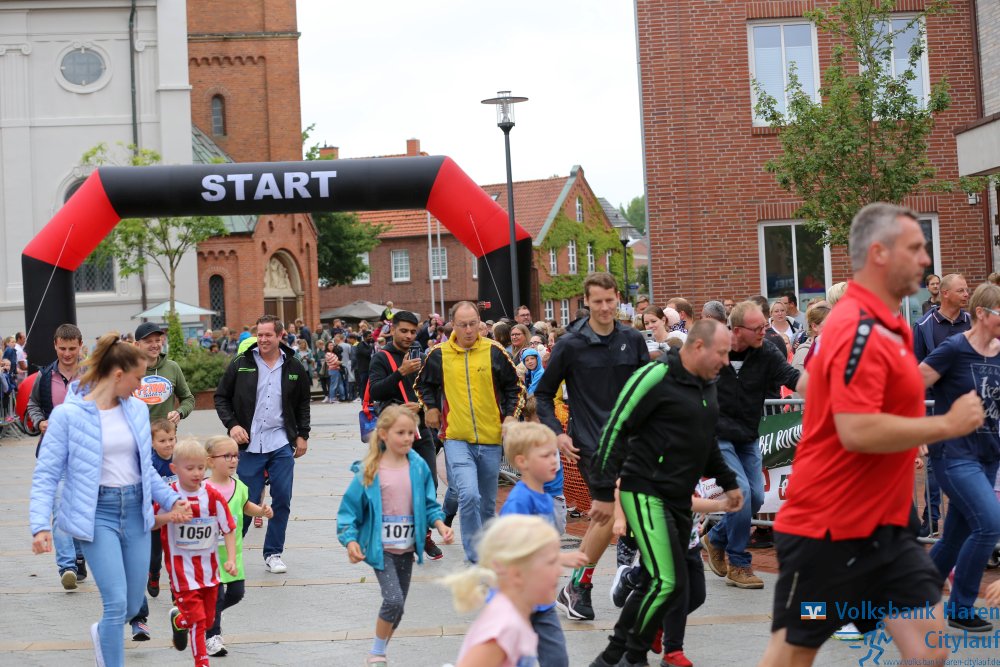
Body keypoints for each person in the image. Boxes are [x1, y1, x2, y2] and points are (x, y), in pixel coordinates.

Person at [759, 203, 985, 666]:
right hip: (828, 531)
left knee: (930, 649)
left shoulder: (892, 325)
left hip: (887, 528)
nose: (926, 259)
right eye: (915, 247)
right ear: (880, 253)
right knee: (793, 654)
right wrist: (946, 425)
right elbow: (856, 429)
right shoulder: (856, 327)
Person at [586, 320, 743, 667]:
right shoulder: (655, 375)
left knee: (667, 583)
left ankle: (619, 657)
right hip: (643, 488)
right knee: (666, 580)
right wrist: (602, 491)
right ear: (698, 347)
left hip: (677, 497)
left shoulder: (707, 385)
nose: (725, 361)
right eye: (721, 353)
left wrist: (729, 483)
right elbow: (614, 428)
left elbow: (706, 441)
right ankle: (626, 657)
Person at [30, 332, 190, 667]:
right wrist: (40, 525)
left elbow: (145, 468)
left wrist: (171, 499)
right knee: (116, 604)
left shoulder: (136, 410)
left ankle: (103, 632)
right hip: (97, 514)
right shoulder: (68, 415)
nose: (141, 387)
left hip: (135, 512)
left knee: (131, 605)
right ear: (118, 375)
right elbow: (46, 474)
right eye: (138, 379)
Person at [535, 271, 649, 621]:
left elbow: (648, 388)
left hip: (633, 443)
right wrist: (558, 433)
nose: (604, 307)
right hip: (591, 443)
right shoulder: (570, 344)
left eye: (609, 300)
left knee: (638, 510)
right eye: (597, 301)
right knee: (607, 512)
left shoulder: (633, 339)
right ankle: (584, 584)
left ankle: (594, 582)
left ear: (618, 299)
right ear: (586, 301)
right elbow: (542, 394)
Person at [337, 405, 454, 667]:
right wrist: (350, 540)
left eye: (411, 433)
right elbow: (349, 511)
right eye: (400, 433)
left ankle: (379, 649)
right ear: (383, 434)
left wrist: (440, 524)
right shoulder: (370, 469)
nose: (407, 438)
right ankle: (377, 654)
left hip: (407, 548)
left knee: (397, 608)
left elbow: (428, 503)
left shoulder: (418, 467)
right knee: (393, 600)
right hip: (380, 549)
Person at [702, 301, 803, 590]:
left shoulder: (766, 351)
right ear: (737, 330)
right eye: (758, 328)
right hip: (717, 435)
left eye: (765, 326)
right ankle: (739, 563)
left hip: (747, 435)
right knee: (742, 493)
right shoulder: (713, 348)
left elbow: (792, 377)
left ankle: (716, 538)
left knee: (756, 498)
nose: (764, 331)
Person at [918, 282, 1000, 632]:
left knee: (953, 536)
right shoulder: (954, 348)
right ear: (982, 313)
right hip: (953, 454)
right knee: (990, 524)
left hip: (988, 455)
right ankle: (961, 607)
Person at [416, 301, 525, 563]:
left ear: (480, 323)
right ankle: (474, 557)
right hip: (456, 437)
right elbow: (423, 385)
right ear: (452, 325)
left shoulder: (494, 351)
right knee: (468, 494)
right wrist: (431, 408)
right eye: (462, 325)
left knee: (487, 503)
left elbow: (515, 388)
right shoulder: (439, 354)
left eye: (473, 324)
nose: (468, 330)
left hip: (491, 439)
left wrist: (511, 416)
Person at [214, 315, 311, 574]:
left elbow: (303, 403)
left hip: (280, 442)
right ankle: (232, 552)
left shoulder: (293, 366)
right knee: (245, 499)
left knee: (282, 498)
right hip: (249, 444)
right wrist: (233, 425)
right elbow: (221, 397)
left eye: (268, 335)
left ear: (280, 336)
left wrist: (303, 434)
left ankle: (273, 553)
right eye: (260, 335)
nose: (263, 339)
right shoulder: (242, 363)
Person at [610, 478, 733, 667]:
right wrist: (620, 518)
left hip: (690, 543)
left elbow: (694, 497)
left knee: (697, 596)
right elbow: (622, 484)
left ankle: (652, 624)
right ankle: (671, 651)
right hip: (662, 541)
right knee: (676, 595)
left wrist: (698, 518)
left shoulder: (697, 465)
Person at [499, 422, 588, 667]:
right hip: (517, 602)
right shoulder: (519, 503)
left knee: (557, 659)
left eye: (555, 454)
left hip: (542, 599)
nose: (555, 461)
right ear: (522, 462)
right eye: (546, 455)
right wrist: (561, 558)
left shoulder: (546, 500)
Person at [369, 310, 444, 559]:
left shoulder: (422, 358)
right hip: (394, 434)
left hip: (421, 430)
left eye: (413, 332)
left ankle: (423, 535)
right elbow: (375, 392)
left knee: (429, 483)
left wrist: (421, 406)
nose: (409, 336)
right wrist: (400, 372)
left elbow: (433, 392)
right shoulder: (381, 358)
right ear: (392, 330)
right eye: (403, 331)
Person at [156, 438, 237, 665]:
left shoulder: (212, 497)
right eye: (189, 468)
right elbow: (150, 522)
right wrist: (169, 517)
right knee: (199, 623)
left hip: (210, 573)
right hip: (182, 573)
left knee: (208, 620)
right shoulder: (168, 496)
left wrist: (231, 559)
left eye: (200, 468)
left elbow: (229, 528)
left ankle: (180, 621)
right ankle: (201, 662)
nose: (196, 473)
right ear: (174, 469)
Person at [442, 515, 563, 667]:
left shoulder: (515, 615)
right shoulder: (504, 626)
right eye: (551, 562)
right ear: (517, 574)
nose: (560, 570)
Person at [25, 323, 87, 590]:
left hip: (85, 453)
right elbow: (33, 404)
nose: (67, 353)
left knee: (82, 509)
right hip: (54, 452)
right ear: (55, 346)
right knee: (59, 508)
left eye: (72, 348)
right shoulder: (45, 375)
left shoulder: (92, 375)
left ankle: (80, 556)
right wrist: (40, 421)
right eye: (62, 348)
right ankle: (67, 566)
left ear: (80, 345)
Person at [913, 273, 971, 537]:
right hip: (935, 405)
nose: (966, 294)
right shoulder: (924, 325)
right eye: (961, 290)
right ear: (945, 294)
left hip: (968, 406)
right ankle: (931, 518)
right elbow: (917, 369)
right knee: (935, 465)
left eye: (967, 290)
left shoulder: (970, 322)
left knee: (970, 462)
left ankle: (966, 520)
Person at [204, 435, 273, 656]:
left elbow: (245, 506)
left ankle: (208, 615)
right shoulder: (202, 488)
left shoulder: (240, 486)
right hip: (208, 556)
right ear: (210, 461)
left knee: (236, 593)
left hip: (233, 554)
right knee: (216, 595)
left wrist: (261, 511)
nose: (233, 460)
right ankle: (212, 636)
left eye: (235, 455)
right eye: (227, 456)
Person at [133, 322, 195, 425]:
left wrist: (179, 412)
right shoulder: (128, 370)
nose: (154, 345)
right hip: (137, 433)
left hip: (166, 433)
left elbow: (188, 399)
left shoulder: (172, 367)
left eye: (158, 340)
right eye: (148, 341)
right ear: (137, 345)